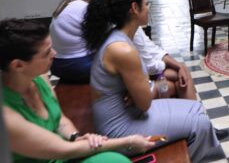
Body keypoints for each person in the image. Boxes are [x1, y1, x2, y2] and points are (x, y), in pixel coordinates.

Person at [82, 0, 228, 162]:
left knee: (197, 108)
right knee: (201, 123)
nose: (149, 8)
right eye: (147, 4)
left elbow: (142, 89)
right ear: (134, 8)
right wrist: (148, 86)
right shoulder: (123, 50)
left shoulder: (121, 36)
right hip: (119, 128)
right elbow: (144, 104)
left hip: (127, 112)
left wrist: (141, 87)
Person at [1, 18, 155, 163]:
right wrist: (129, 141)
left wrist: (75, 136)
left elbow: (59, 119)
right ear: (18, 65)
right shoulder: (7, 116)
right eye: (47, 52)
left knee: (114, 159)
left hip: (63, 155)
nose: (54, 53)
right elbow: (63, 150)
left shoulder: (40, 77)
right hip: (61, 153)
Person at [50, 0, 102, 83]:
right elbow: (100, 39)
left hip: (57, 65)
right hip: (80, 65)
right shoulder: (84, 7)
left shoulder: (63, 6)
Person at [132, 27, 197, 100]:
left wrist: (179, 66)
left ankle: (193, 108)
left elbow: (155, 50)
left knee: (182, 72)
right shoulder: (131, 34)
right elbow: (151, 67)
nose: (148, 14)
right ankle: (194, 109)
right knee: (179, 81)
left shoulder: (136, 29)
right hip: (140, 83)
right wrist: (166, 64)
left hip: (146, 76)